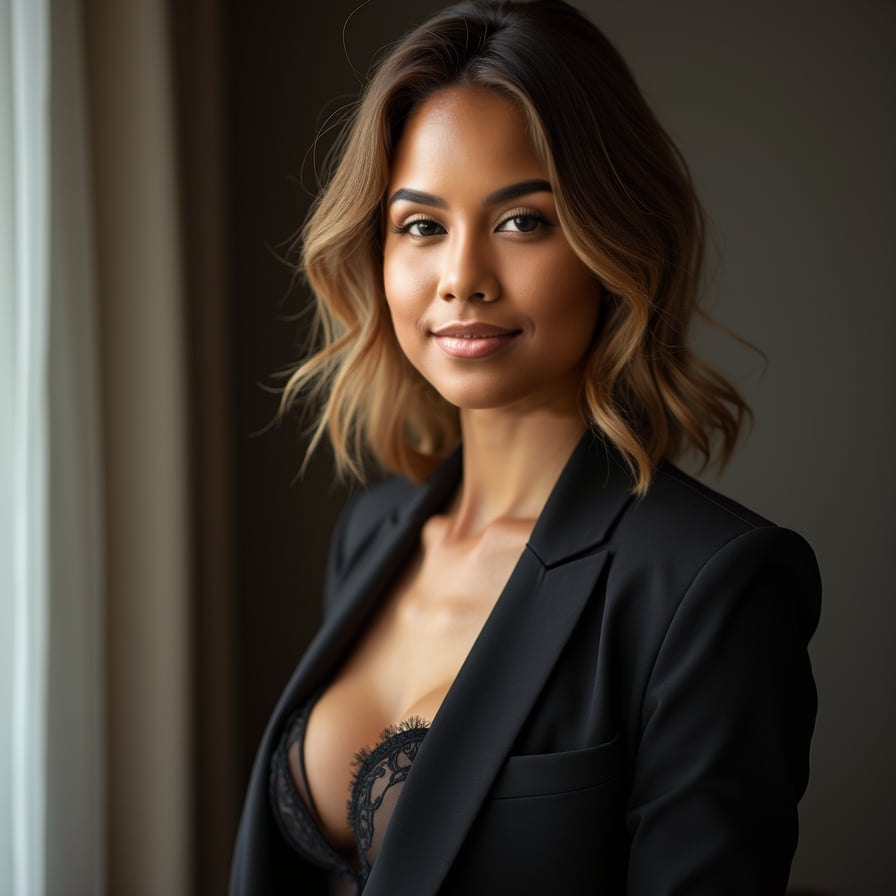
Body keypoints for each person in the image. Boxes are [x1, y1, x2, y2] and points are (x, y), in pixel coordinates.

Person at [229, 1, 821, 893]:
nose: (462, 277)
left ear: (612, 239)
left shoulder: (711, 585)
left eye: (522, 222)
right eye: (421, 226)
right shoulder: (374, 531)